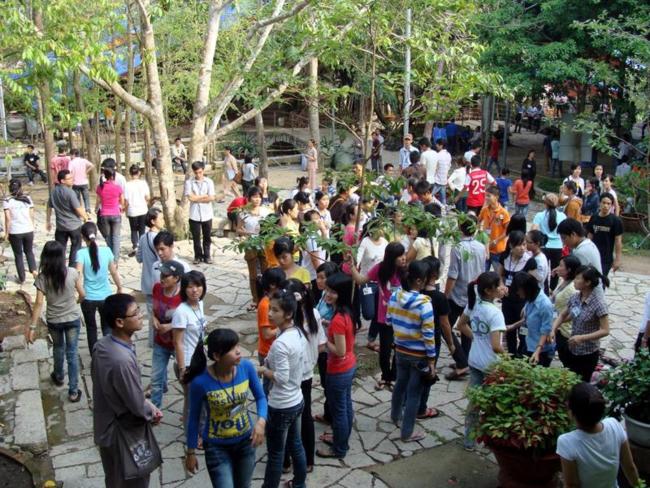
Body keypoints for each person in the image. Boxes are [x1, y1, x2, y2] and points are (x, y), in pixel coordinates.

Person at [91, 293, 163, 488]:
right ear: (119, 322)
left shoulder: (102, 345)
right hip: (122, 431)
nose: (140, 315)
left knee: (114, 478)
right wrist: (152, 412)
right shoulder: (121, 360)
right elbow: (136, 404)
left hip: (106, 426)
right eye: (135, 313)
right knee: (132, 480)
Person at [184, 329, 267, 488]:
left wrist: (261, 422)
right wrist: (191, 452)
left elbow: (261, 397)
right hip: (216, 448)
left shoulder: (247, 368)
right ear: (217, 356)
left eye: (238, 346)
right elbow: (193, 418)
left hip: (246, 443)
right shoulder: (200, 382)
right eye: (232, 349)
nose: (238, 351)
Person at [258, 289, 308, 488]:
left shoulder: (281, 344)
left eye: (275, 310)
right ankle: (300, 483)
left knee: (276, 454)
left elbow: (281, 377)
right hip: (296, 399)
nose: (269, 314)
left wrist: (264, 370)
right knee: (296, 444)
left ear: (288, 314)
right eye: (270, 308)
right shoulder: (297, 331)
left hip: (281, 404)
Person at [26, 241, 84, 402]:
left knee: (58, 347)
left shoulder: (42, 278)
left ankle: (58, 376)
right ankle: (73, 391)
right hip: (72, 318)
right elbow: (83, 294)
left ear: (45, 257)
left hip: (54, 320)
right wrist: (76, 302)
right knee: (72, 353)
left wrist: (32, 327)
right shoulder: (72, 272)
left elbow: (38, 303)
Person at [387, 261, 436, 442]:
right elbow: (428, 335)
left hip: (400, 349)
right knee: (414, 393)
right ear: (419, 281)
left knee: (400, 383)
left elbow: (388, 320)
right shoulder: (425, 305)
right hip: (419, 355)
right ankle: (407, 433)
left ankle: (395, 416)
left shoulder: (394, 296)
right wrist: (432, 359)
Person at [457, 272, 506, 450]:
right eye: (499, 285)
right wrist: (508, 358)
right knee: (495, 403)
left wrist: (477, 338)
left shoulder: (474, 304)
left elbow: (460, 325)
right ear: (489, 290)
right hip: (490, 365)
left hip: (474, 360)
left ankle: (469, 440)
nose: (502, 288)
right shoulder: (495, 313)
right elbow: (496, 346)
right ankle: (492, 438)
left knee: (474, 402)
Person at [557, 383, 639, 488]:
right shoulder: (614, 425)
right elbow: (630, 467)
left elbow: (572, 485)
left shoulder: (567, 442)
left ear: (573, 413)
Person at [281, 279, 326, 473]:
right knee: (305, 414)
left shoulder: (288, 322)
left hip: (289, 375)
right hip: (307, 372)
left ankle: (285, 461)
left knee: (285, 417)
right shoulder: (314, 313)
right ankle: (308, 460)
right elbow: (321, 345)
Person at [349, 242, 407, 390]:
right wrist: (352, 267)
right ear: (391, 257)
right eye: (400, 255)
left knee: (399, 348)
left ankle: (394, 377)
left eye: (404, 254)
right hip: (384, 317)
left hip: (401, 318)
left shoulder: (406, 271)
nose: (403, 258)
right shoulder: (380, 268)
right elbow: (361, 280)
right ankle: (385, 377)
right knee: (385, 349)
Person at [315, 273, 356, 459]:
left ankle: (339, 449)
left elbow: (340, 350)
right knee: (345, 406)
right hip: (349, 366)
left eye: (333, 292)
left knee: (339, 411)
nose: (328, 294)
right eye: (327, 290)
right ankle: (342, 441)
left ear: (342, 293)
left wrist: (323, 342)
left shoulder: (338, 319)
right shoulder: (347, 313)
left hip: (339, 369)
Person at [444, 215, 486, 380]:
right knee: (466, 326)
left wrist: (445, 295)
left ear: (460, 228)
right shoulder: (481, 247)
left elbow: (453, 275)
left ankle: (461, 361)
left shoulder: (458, 248)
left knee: (445, 326)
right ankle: (465, 359)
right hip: (474, 294)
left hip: (458, 294)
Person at [552, 266, 609, 381]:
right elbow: (563, 315)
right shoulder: (575, 297)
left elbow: (605, 330)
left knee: (581, 384)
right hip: (572, 348)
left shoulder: (599, 304)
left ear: (587, 282)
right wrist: (553, 329)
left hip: (587, 353)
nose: (574, 281)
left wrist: (582, 338)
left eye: (578, 278)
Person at [76, 222, 123, 352]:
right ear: (96, 234)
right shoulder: (106, 251)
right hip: (105, 296)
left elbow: (77, 275)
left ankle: (95, 355)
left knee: (91, 328)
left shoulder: (81, 254)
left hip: (88, 297)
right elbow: (114, 272)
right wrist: (119, 287)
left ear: (82, 237)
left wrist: (80, 293)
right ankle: (109, 352)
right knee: (107, 327)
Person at [172, 270, 208, 430]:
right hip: (187, 363)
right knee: (193, 402)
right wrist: (182, 369)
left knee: (199, 399)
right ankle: (193, 435)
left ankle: (199, 431)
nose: (195, 290)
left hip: (200, 360)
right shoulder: (181, 312)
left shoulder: (200, 304)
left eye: (198, 286)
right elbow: (177, 342)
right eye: (190, 287)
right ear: (184, 289)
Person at [149, 260, 183, 409]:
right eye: (161, 274)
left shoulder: (183, 297)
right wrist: (154, 319)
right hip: (160, 342)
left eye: (166, 276)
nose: (162, 278)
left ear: (176, 278)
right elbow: (153, 309)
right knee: (156, 377)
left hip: (178, 344)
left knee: (184, 378)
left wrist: (169, 326)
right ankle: (155, 410)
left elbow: (189, 321)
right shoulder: (157, 288)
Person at [500, 231, 537, 356]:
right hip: (507, 300)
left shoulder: (529, 262)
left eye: (524, 245)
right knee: (509, 328)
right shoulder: (505, 257)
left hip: (522, 302)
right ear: (511, 245)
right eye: (519, 245)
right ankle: (511, 353)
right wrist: (502, 285)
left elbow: (532, 283)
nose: (522, 248)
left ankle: (522, 354)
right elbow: (500, 275)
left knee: (523, 330)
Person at [237, 186, 272, 307]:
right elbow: (238, 229)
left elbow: (272, 227)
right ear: (249, 198)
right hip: (250, 244)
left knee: (266, 272)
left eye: (259, 197)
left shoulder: (267, 212)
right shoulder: (243, 213)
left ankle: (267, 297)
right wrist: (249, 233)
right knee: (253, 274)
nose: (257, 199)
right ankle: (255, 299)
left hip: (264, 244)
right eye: (254, 197)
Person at [46, 169, 88, 266]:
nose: (72, 180)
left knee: (60, 249)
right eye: (69, 178)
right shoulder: (70, 193)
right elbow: (78, 208)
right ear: (62, 181)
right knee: (76, 247)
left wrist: (48, 220)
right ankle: (72, 267)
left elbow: (49, 206)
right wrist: (86, 217)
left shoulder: (54, 191)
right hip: (74, 225)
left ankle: (60, 266)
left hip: (60, 226)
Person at [512, 272, 554, 366]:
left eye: (518, 290)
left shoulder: (545, 305)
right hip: (528, 344)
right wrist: (512, 326)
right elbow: (528, 320)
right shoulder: (530, 299)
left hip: (540, 351)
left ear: (526, 289)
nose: (517, 293)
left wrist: (537, 351)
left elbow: (546, 329)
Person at [549, 255, 581, 367]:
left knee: (567, 360)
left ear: (569, 270)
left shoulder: (573, 289)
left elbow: (575, 312)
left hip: (566, 331)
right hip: (558, 326)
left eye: (561, 266)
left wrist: (559, 321)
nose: (557, 268)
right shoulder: (563, 281)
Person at [3, 179, 37, 284]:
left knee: (18, 255)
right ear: (20, 187)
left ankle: (22, 278)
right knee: (29, 251)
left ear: (10, 188)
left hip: (15, 231)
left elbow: (8, 219)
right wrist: (32, 226)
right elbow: (32, 215)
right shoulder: (27, 198)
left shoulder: (7, 201)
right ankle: (34, 271)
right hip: (28, 230)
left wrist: (7, 233)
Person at [532, 194, 566, 291]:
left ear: (545, 203)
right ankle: (552, 289)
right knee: (555, 270)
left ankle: (545, 290)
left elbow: (533, 230)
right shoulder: (562, 216)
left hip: (544, 246)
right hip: (558, 246)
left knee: (544, 270)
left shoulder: (539, 215)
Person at [184, 161, 216, 265]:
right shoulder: (189, 182)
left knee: (207, 236)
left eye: (200, 172)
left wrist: (197, 197)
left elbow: (211, 197)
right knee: (196, 237)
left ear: (203, 170)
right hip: (194, 214)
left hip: (207, 214)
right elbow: (190, 198)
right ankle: (197, 256)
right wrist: (204, 196)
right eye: (196, 172)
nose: (198, 175)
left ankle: (207, 255)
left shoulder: (209, 182)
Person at [586, 193, 623, 277]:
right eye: (604, 203)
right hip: (593, 254)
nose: (606, 205)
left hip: (606, 258)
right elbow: (589, 236)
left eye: (608, 203)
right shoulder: (594, 217)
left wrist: (618, 259)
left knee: (601, 279)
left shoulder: (615, 221)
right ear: (600, 203)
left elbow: (618, 241)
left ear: (612, 205)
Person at [257, 268, 286, 367]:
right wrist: (286, 326)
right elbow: (267, 334)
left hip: (275, 349)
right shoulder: (265, 305)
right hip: (267, 352)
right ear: (273, 285)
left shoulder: (274, 301)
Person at [96, 167, 125, 262]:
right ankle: (115, 259)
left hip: (104, 214)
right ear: (113, 176)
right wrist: (121, 207)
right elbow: (122, 201)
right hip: (116, 213)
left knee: (108, 237)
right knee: (116, 237)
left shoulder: (100, 187)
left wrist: (96, 209)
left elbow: (98, 200)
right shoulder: (117, 187)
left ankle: (110, 255)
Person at [479, 186, 510, 271]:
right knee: (483, 273)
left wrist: (496, 241)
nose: (486, 198)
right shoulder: (485, 210)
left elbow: (508, 230)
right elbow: (478, 221)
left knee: (497, 274)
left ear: (496, 197)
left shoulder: (504, 213)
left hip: (497, 249)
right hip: (485, 247)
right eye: (486, 196)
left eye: (489, 196)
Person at [124, 165, 151, 257]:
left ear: (130, 173)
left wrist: (126, 210)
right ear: (139, 172)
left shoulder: (127, 185)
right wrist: (146, 203)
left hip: (132, 210)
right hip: (142, 209)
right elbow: (147, 197)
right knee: (142, 229)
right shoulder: (143, 183)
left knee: (133, 229)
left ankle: (135, 246)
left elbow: (126, 200)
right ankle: (142, 246)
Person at [68, 148, 94, 213]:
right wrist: (86, 172)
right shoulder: (84, 160)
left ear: (73, 155)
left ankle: (79, 211)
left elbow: (69, 171)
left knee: (77, 198)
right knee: (86, 197)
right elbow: (92, 165)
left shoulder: (71, 162)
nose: (70, 156)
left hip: (75, 183)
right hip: (84, 182)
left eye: (70, 155)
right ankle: (87, 209)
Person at [432, 139, 452, 204]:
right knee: (443, 199)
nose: (436, 146)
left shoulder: (437, 155)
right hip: (444, 179)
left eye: (437, 144)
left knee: (429, 196)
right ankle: (443, 209)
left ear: (441, 145)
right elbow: (449, 166)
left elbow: (435, 168)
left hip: (437, 180)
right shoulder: (448, 154)